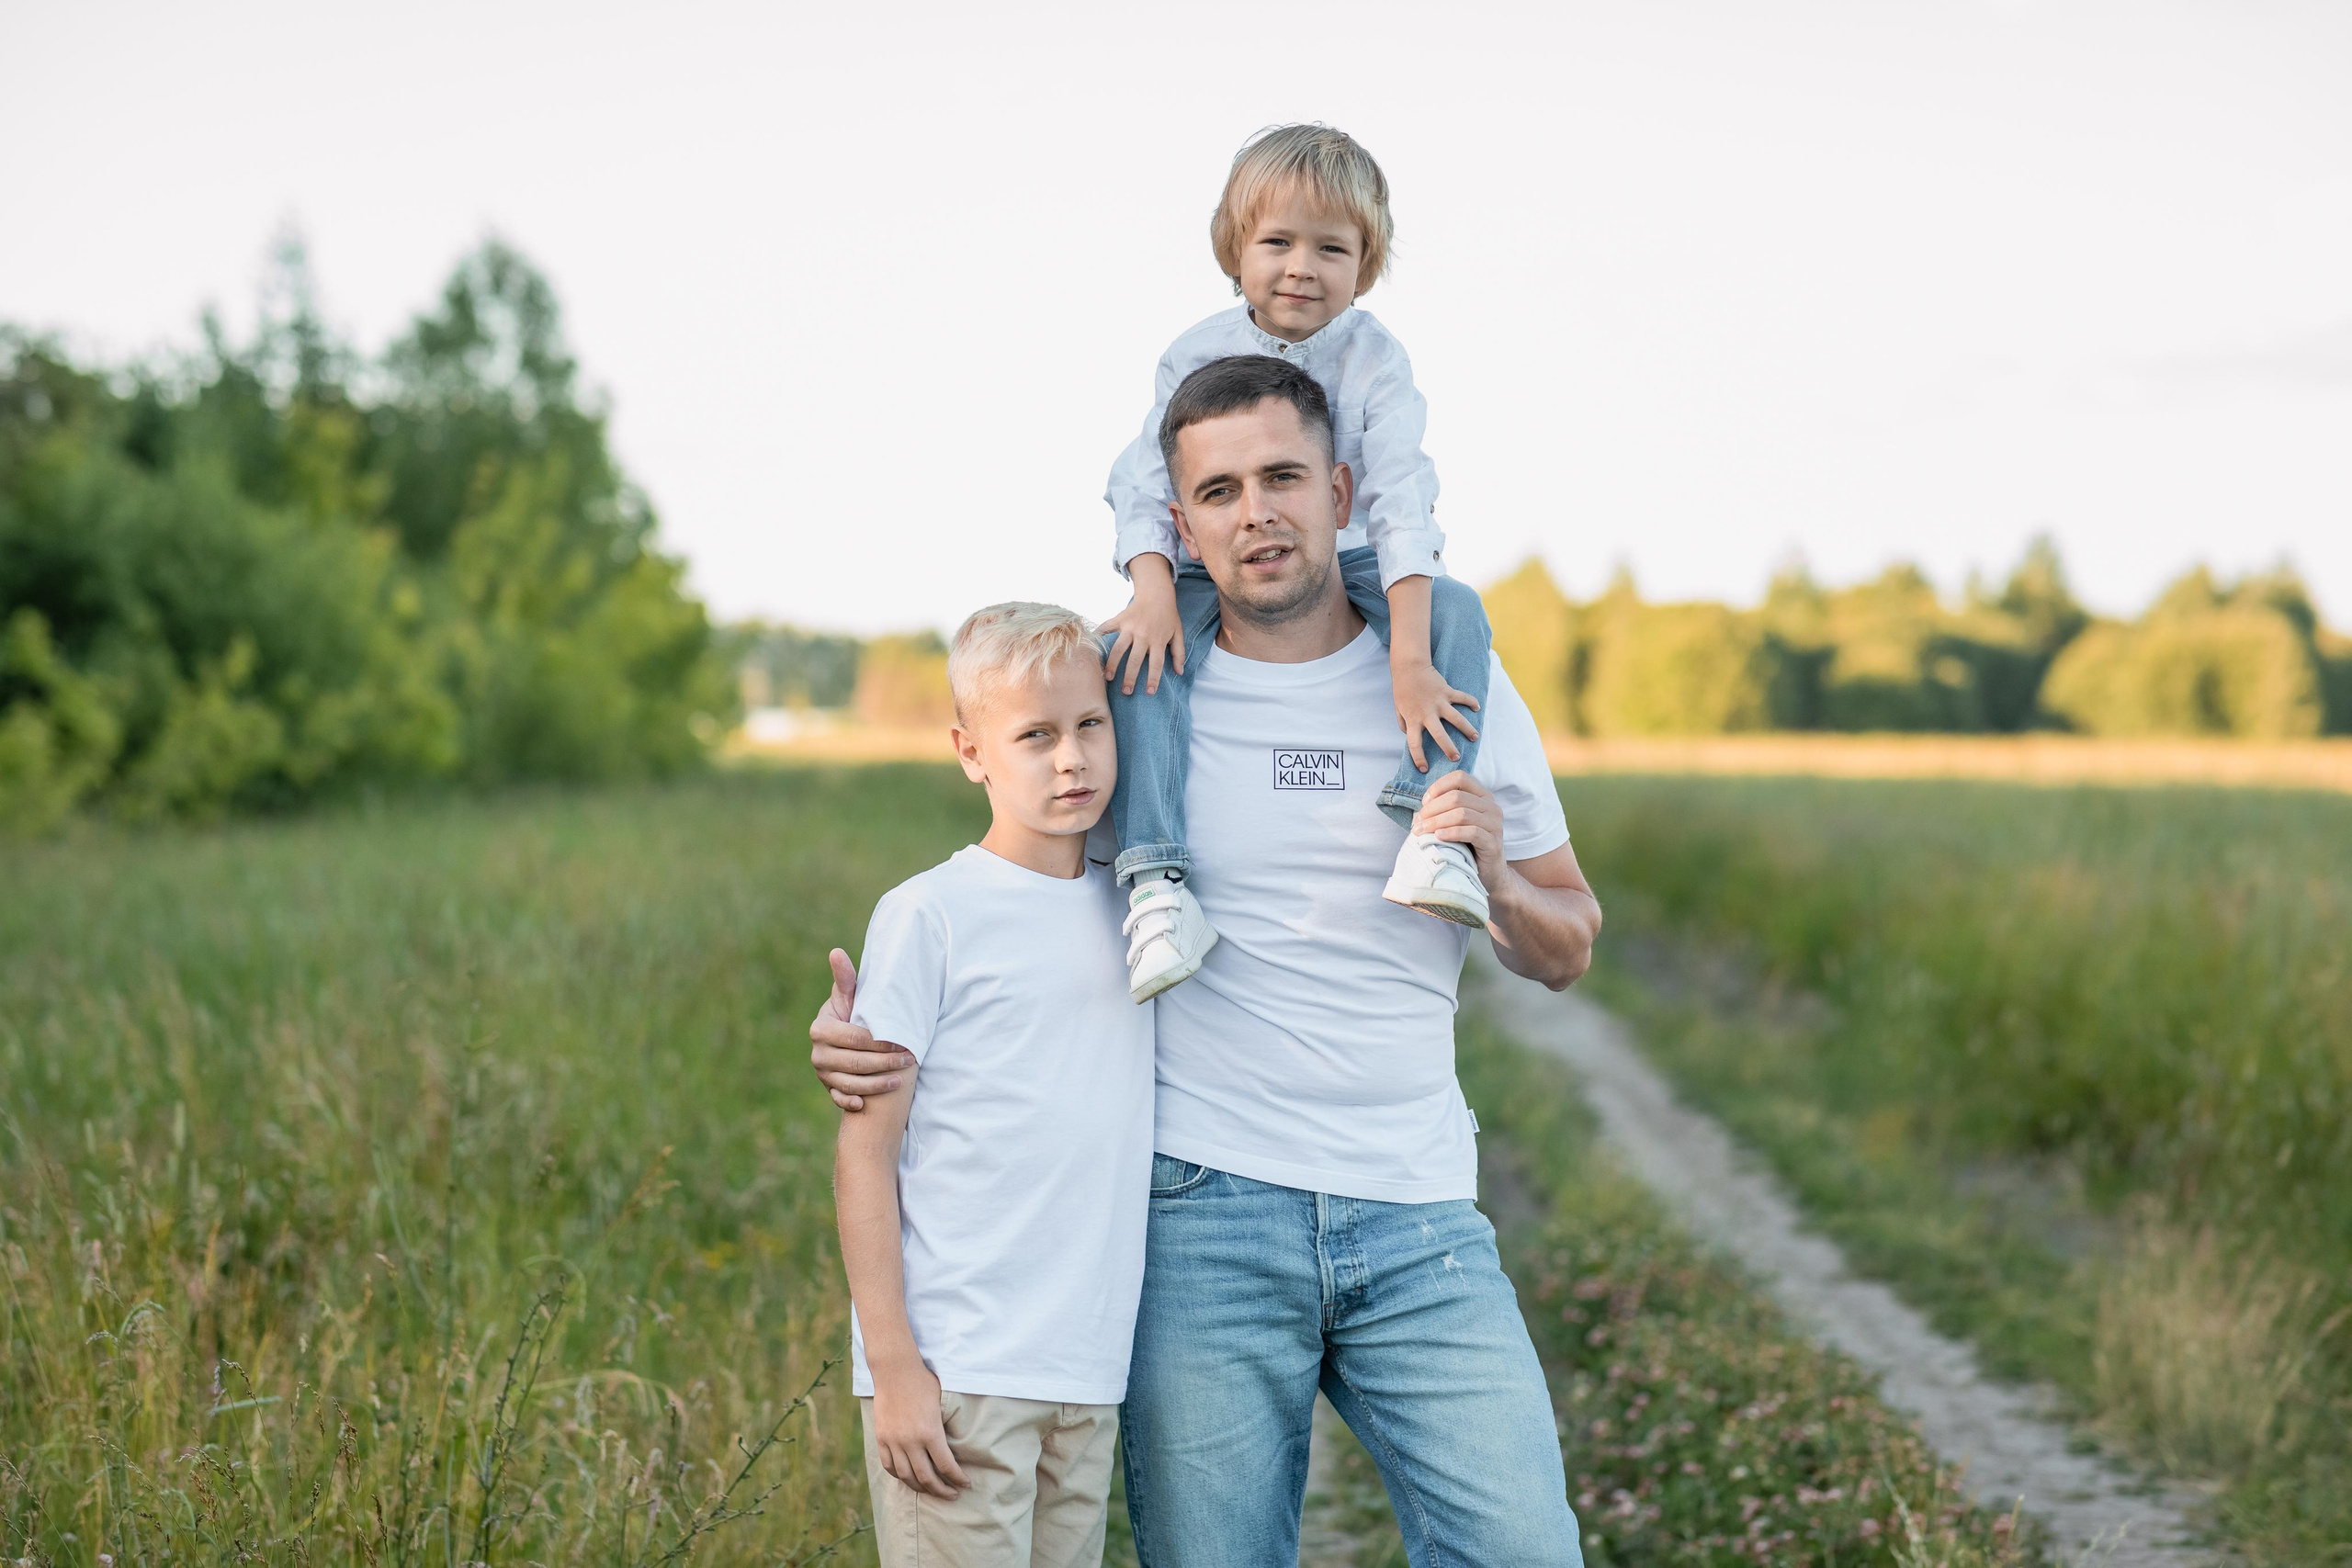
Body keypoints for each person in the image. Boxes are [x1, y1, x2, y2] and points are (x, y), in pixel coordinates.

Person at [817, 355, 1600, 1567]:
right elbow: (1016, 864)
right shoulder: (1139, 695)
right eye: (1221, 491)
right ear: (1180, 525)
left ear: (1343, 489)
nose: (1258, 512)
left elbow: (1569, 938)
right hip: (1200, 1213)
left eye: (1284, 476)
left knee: (1526, 1548)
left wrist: (1493, 879)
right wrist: (878, 1034)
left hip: (1418, 1211)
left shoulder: (1454, 683)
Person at [1100, 123, 1497, 1002]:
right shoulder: (1195, 352)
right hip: (1211, 569)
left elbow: (1401, 501)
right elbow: (1140, 484)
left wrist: (1409, 657)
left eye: (1332, 248)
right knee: (1133, 658)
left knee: (1461, 612)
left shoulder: (1376, 359)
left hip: (1345, 562)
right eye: (1277, 241)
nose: (1301, 268)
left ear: (1367, 260)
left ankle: (1430, 828)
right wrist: (1154, 592)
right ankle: (1157, 882)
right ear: (1235, 249)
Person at [832, 602, 1154, 1568]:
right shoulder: (930, 913)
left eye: (1090, 725)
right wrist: (893, 1367)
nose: (1071, 760)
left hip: (1085, 1371)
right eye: (1034, 737)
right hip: (960, 1374)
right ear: (971, 751)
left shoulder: (1139, 901)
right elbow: (863, 1155)